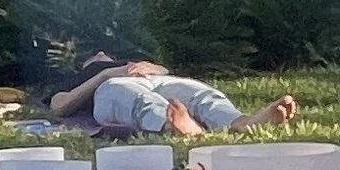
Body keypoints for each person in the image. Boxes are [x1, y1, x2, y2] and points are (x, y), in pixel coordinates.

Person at [45, 57, 296, 139]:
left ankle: (243, 122)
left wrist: (153, 69)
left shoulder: (131, 59)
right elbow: (60, 106)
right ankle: (173, 125)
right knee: (137, 99)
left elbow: (166, 72)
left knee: (199, 93)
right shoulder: (84, 77)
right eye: (96, 55)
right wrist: (105, 72)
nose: (102, 53)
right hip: (111, 87)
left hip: (156, 79)